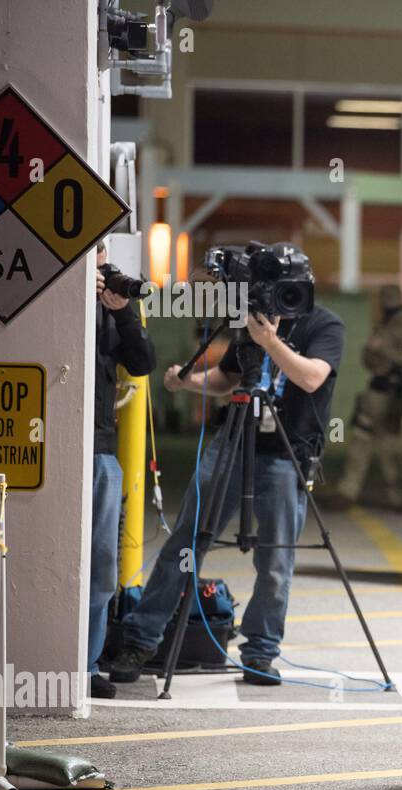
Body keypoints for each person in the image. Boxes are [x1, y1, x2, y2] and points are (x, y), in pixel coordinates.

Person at [106, 248, 345, 687]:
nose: (284, 299)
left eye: (293, 291)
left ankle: (260, 653)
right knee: (187, 541)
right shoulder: (250, 318)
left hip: (286, 452)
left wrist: (271, 341)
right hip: (234, 444)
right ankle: (140, 641)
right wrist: (187, 381)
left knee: (275, 561)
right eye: (276, 291)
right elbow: (228, 378)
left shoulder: (323, 324)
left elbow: (311, 377)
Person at [87, 241, 156, 699]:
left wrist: (123, 312)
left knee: (100, 568)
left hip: (101, 451)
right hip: (51, 452)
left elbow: (143, 363)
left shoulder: (111, 309)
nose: (98, 261)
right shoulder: (46, 292)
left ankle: (85, 665)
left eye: (100, 252)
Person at [324, 285, 402, 511]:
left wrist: (383, 349)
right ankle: (351, 491)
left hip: (393, 391)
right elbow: (368, 357)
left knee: (386, 444)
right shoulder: (386, 323)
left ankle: (395, 495)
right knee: (366, 439)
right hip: (378, 389)